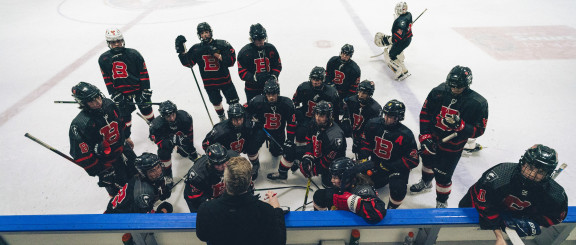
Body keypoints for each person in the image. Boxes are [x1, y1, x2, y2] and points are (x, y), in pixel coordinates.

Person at [410, 65, 489, 208]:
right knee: (427, 163)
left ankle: (441, 201)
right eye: (451, 86)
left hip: (452, 148)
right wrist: (425, 137)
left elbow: (480, 130)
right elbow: (425, 114)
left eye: (458, 87)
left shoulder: (478, 103)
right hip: (431, 139)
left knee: (443, 176)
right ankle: (426, 182)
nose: (454, 89)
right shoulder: (438, 92)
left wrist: (461, 126)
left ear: (467, 84)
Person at [459, 145, 568, 244]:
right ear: (523, 163)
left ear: (548, 174)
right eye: (530, 168)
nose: (532, 174)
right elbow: (483, 205)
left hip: (512, 212)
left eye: (540, 172)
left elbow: (556, 216)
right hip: (475, 206)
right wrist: (499, 236)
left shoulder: (556, 195)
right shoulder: (499, 176)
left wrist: (534, 221)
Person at [196, 156, 286, 245]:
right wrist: (276, 210)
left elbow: (202, 236)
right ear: (250, 180)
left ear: (225, 182)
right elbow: (279, 241)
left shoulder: (206, 209)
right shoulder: (266, 211)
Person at [69, 81, 136, 196]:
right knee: (120, 195)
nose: (98, 102)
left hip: (123, 149)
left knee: (137, 175)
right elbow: (81, 155)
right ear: (84, 104)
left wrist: (126, 136)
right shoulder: (80, 124)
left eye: (98, 97)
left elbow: (120, 122)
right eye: (92, 101)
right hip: (107, 164)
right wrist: (100, 170)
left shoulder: (109, 104)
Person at [268, 101, 346, 187]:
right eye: (317, 114)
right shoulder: (314, 123)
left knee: (328, 185)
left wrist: (314, 170)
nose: (317, 118)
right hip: (317, 152)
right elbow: (309, 141)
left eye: (322, 115)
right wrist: (308, 157)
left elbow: (327, 161)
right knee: (289, 149)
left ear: (329, 116)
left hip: (331, 164)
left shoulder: (335, 136)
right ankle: (282, 174)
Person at [358, 99, 419, 209]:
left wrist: (390, 166)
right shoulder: (373, 124)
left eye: (391, 116)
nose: (387, 118)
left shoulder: (406, 134)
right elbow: (365, 141)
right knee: (360, 178)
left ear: (399, 118)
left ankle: (392, 209)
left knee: (398, 189)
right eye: (386, 114)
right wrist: (363, 157)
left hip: (395, 168)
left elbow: (413, 160)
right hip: (377, 163)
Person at [98, 28, 155, 145]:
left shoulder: (133, 54)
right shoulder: (103, 59)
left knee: (147, 110)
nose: (117, 44)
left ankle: (156, 129)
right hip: (121, 93)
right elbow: (107, 79)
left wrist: (145, 90)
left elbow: (143, 72)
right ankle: (127, 137)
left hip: (138, 90)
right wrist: (114, 93)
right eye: (113, 42)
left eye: (118, 41)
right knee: (124, 117)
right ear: (109, 43)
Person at [175, 22, 240, 122]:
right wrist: (181, 52)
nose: (204, 35)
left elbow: (231, 62)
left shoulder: (222, 44)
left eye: (206, 32)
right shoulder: (196, 49)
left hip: (225, 81)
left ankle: (236, 118)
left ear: (210, 32)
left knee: (234, 102)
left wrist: (217, 54)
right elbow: (189, 64)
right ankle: (222, 117)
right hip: (209, 84)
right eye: (202, 33)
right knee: (216, 102)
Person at [313, 157, 387, 223]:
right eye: (332, 177)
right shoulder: (345, 184)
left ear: (347, 178)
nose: (332, 180)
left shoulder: (364, 189)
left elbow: (378, 213)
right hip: (344, 218)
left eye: (335, 178)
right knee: (319, 195)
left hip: (355, 225)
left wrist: (352, 202)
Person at [202, 103, 261, 180]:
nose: (239, 122)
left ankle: (255, 164)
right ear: (230, 118)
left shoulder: (248, 123)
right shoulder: (220, 131)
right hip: (227, 153)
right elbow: (205, 144)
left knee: (253, 145)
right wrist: (217, 156)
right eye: (235, 119)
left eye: (240, 118)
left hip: (241, 145)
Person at [149, 100, 200, 184]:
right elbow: (159, 144)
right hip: (167, 142)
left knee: (185, 152)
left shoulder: (185, 117)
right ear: (163, 116)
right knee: (163, 153)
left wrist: (191, 150)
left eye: (173, 114)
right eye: (168, 116)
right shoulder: (156, 126)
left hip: (180, 137)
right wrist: (171, 141)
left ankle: (184, 150)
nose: (172, 118)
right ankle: (167, 174)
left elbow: (189, 135)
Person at [105, 152, 173, 214]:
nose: (158, 172)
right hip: (116, 220)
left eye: (158, 167)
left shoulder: (138, 177)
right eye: (152, 171)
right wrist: (162, 211)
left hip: (115, 209)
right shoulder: (143, 194)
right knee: (167, 207)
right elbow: (146, 220)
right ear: (143, 173)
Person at [246, 78, 296, 160]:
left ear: (278, 93)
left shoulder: (286, 104)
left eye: (273, 94)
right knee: (252, 147)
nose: (271, 97)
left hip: (278, 132)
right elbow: (246, 112)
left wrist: (290, 139)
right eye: (269, 95)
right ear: (265, 94)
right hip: (262, 129)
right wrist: (252, 122)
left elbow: (291, 123)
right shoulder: (258, 101)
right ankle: (255, 165)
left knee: (275, 153)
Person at [183, 143, 239, 212]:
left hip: (216, 192)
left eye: (225, 161)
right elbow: (194, 197)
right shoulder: (198, 176)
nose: (224, 166)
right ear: (211, 163)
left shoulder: (234, 157)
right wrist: (210, 202)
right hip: (198, 197)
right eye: (219, 164)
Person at [292, 66, 340, 145]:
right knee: (300, 132)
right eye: (313, 79)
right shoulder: (303, 87)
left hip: (323, 120)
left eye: (317, 80)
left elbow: (336, 111)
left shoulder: (331, 93)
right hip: (307, 117)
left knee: (325, 138)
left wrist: (333, 123)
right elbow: (295, 101)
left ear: (323, 79)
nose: (314, 82)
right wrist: (298, 113)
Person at [237, 23, 283, 102]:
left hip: (271, 87)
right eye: (257, 39)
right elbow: (242, 73)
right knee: (254, 110)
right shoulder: (245, 52)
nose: (260, 41)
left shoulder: (271, 48)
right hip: (252, 89)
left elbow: (278, 65)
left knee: (273, 110)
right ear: (252, 39)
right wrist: (254, 77)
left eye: (262, 38)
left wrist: (274, 76)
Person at [340, 80, 382, 155]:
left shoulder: (375, 109)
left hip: (364, 133)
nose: (361, 95)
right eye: (360, 91)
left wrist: (361, 139)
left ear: (370, 94)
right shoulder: (351, 101)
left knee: (362, 152)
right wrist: (345, 122)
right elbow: (346, 116)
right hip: (352, 129)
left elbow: (374, 130)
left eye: (364, 93)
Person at [374, 2, 413, 80]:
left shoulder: (400, 22)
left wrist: (388, 40)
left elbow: (398, 37)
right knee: (396, 53)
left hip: (402, 41)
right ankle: (404, 70)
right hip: (407, 39)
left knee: (391, 56)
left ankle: (399, 73)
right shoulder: (408, 14)